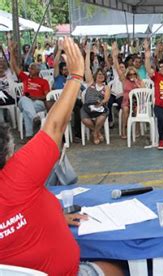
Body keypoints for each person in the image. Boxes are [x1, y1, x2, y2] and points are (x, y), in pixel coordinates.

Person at [0, 37, 124, 276]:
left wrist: (55, 216)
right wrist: (76, 75)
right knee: (118, 267)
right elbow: (55, 126)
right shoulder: (18, 176)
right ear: (8, 155)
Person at [9, 40, 50, 141]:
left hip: (38, 103)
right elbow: (14, 66)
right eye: (30, 68)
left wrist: (35, 97)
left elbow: (47, 96)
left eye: (32, 68)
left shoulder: (43, 81)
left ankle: (29, 136)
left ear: (38, 70)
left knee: (27, 110)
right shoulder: (26, 78)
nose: (29, 70)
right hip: (24, 101)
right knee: (24, 99)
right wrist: (11, 52)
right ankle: (35, 118)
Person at [81, 43, 111, 145]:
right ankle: (97, 132)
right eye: (98, 74)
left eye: (102, 75)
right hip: (87, 106)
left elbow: (106, 98)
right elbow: (86, 68)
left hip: (100, 106)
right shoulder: (90, 82)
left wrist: (100, 103)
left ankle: (94, 133)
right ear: (95, 75)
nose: (100, 76)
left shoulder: (106, 87)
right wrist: (88, 53)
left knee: (101, 118)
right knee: (85, 119)